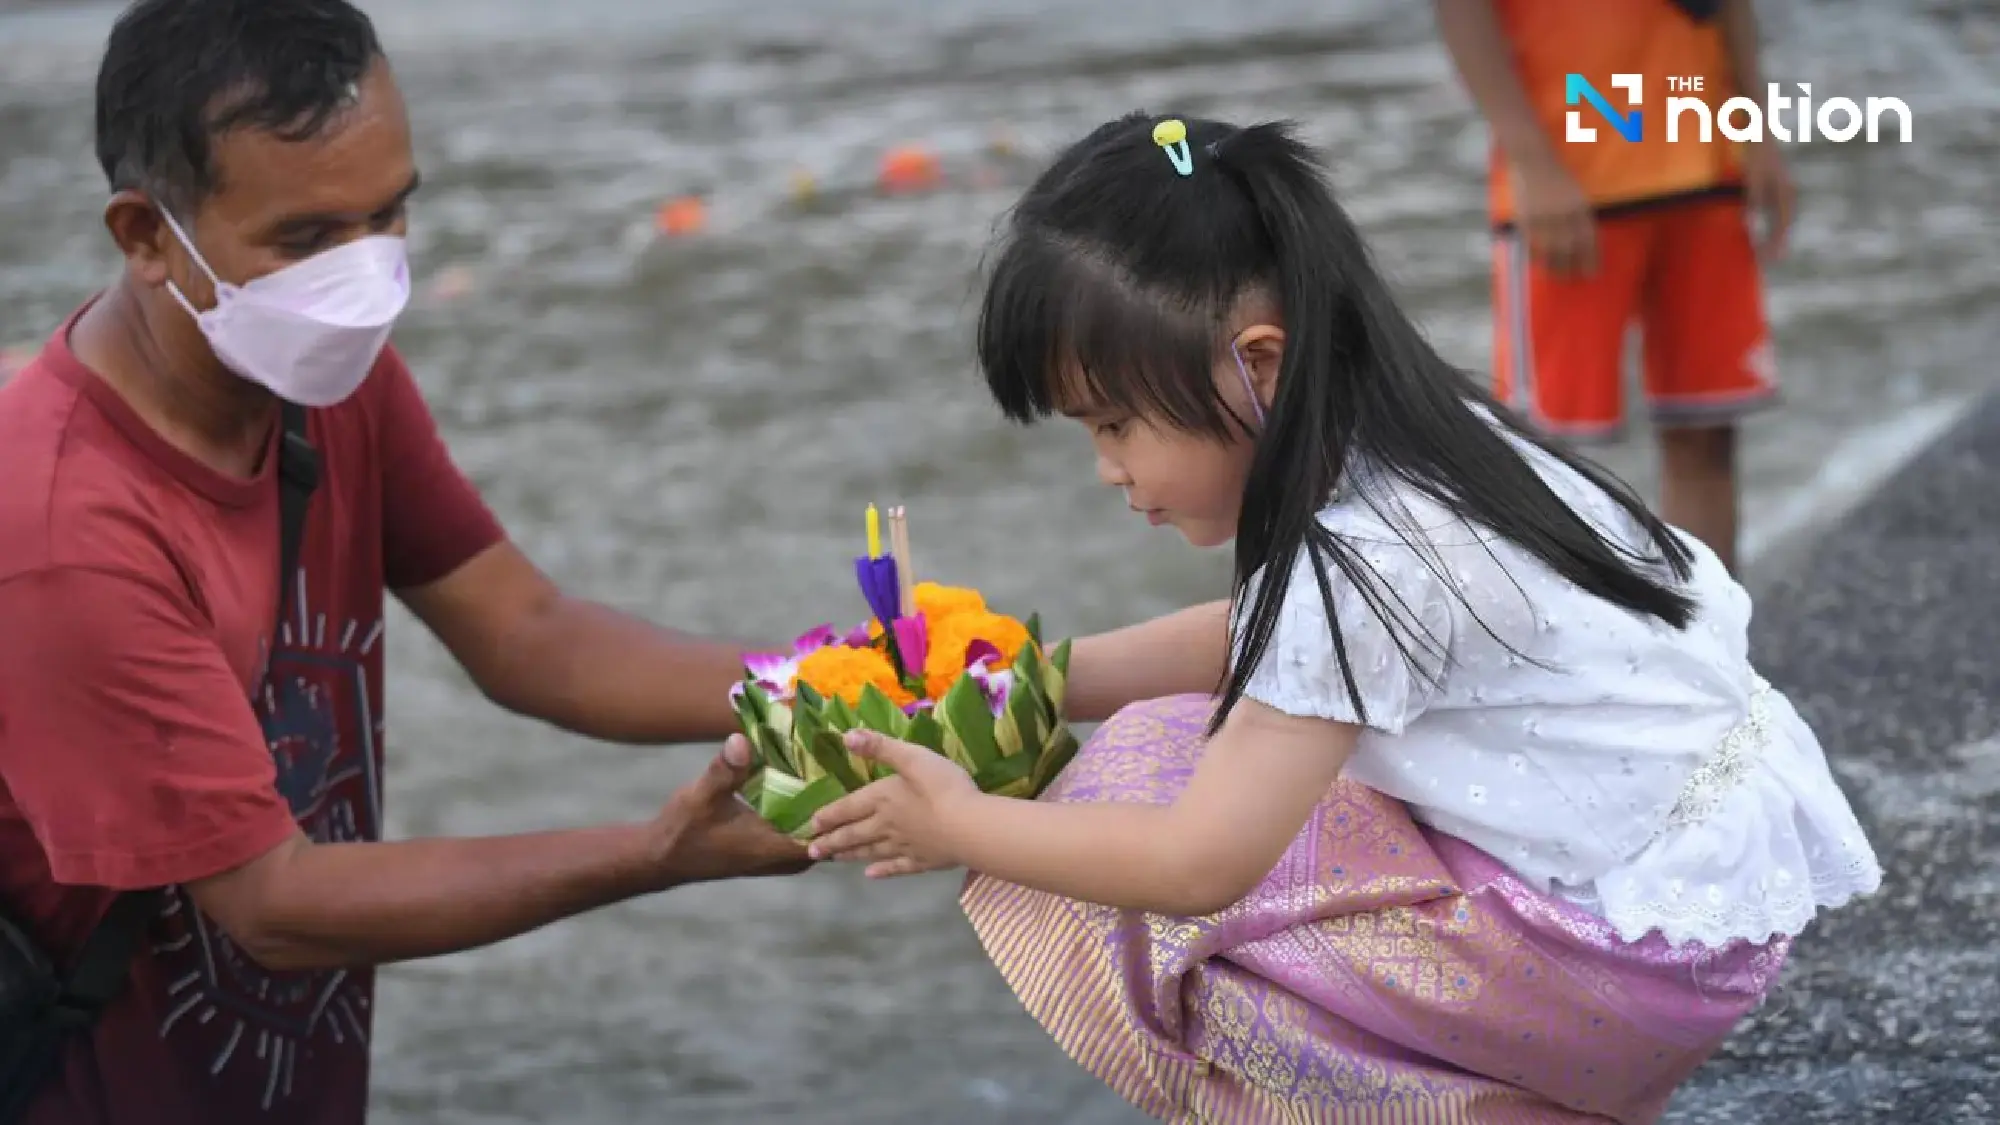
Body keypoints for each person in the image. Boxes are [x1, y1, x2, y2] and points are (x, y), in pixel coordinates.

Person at [804, 113, 1880, 1123]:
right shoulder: (1424, 442)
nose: (1106, 470)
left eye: (1115, 424)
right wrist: (1028, 677)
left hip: (1623, 964)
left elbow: (1195, 864)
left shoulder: (1356, 564)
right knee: (1175, 741)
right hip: (1684, 916)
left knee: (1123, 846)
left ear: (1255, 364)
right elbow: (1258, 640)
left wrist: (956, 825)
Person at [0, 2, 811, 1122]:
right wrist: (652, 854)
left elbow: (526, 632)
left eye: (389, 216)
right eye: (305, 238)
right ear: (145, 235)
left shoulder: (321, 377)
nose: (362, 276)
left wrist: (827, 686)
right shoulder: (56, 537)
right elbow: (272, 903)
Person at [1433, 0, 1796, 574]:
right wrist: (1531, 161)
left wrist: (1755, 127)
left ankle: (1715, 652)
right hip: (1571, 178)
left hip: (1708, 160)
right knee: (1548, 455)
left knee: (1707, 433)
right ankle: (1554, 653)